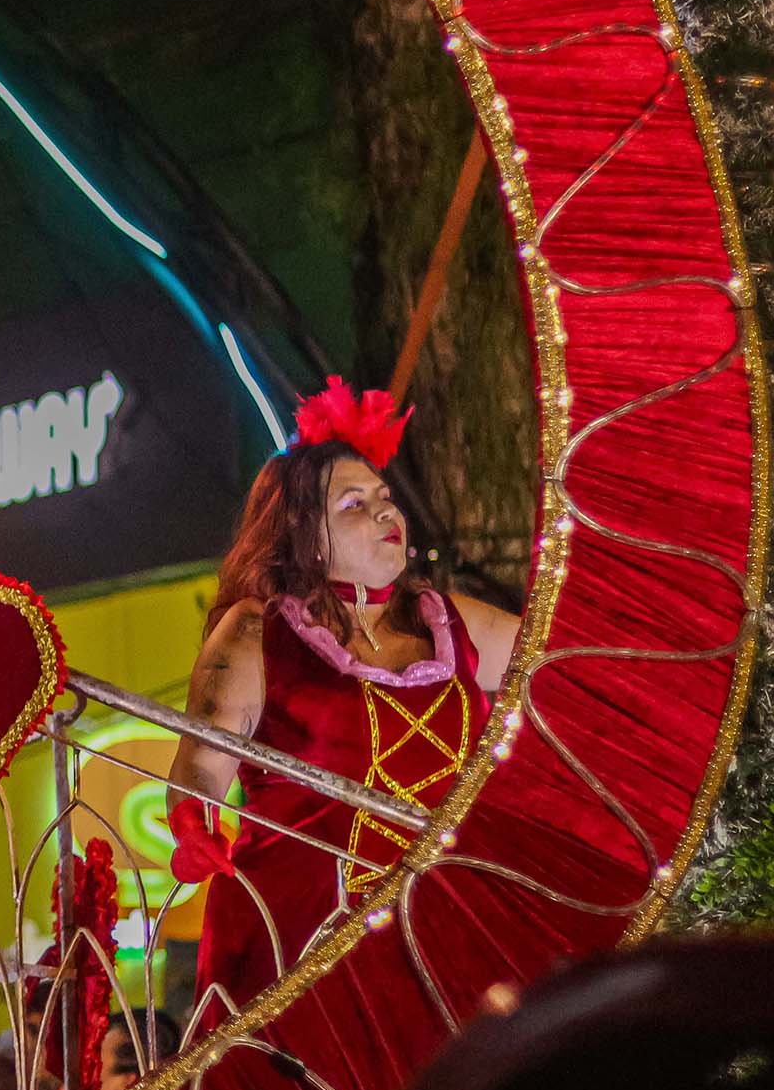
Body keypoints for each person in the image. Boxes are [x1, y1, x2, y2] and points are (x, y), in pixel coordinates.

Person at [164, 379, 520, 1010]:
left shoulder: (451, 621)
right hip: (304, 938)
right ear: (303, 535)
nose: (387, 513)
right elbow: (200, 765)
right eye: (354, 504)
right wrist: (193, 825)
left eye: (386, 498)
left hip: (444, 925)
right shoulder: (259, 632)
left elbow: (564, 659)